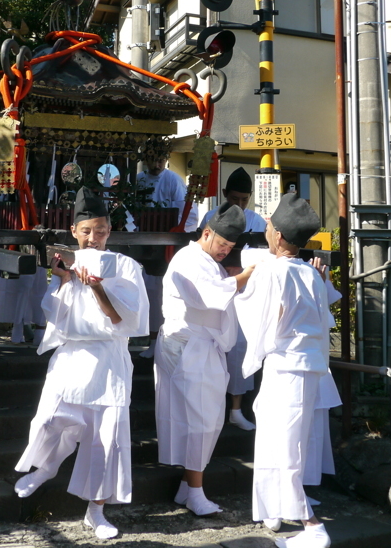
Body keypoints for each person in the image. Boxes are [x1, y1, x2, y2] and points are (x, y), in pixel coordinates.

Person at [14, 187, 149, 540]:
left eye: (101, 231)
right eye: (86, 231)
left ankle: (96, 511)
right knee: (50, 419)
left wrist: (97, 288)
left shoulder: (126, 266)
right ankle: (44, 468)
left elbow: (125, 321)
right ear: (74, 231)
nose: (94, 238)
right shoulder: (69, 264)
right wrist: (63, 280)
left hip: (108, 360)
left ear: (109, 230)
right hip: (72, 356)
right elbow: (55, 317)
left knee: (105, 440)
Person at [234, 193, 339, 548]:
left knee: (285, 447)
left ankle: (312, 526)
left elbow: (264, 320)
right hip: (304, 365)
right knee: (276, 439)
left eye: (268, 226)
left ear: (278, 235)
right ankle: (271, 508)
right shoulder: (310, 272)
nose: (265, 230)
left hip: (287, 365)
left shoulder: (273, 271)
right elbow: (324, 319)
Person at [154, 203, 254, 516]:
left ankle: (187, 486)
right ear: (207, 233)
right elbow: (210, 295)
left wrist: (233, 277)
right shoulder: (189, 259)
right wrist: (246, 276)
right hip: (188, 347)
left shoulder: (206, 259)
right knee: (200, 420)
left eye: (231, 247)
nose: (226, 251)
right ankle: (196, 491)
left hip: (199, 348)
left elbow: (217, 289)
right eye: (222, 244)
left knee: (204, 419)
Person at [200, 167, 267, 431]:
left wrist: (242, 271)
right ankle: (212, 407)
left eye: (244, 200)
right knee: (212, 347)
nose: (239, 205)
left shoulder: (257, 221)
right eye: (234, 199)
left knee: (239, 348)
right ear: (224, 194)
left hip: (243, 291)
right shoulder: (209, 216)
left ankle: (236, 409)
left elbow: (262, 255)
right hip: (213, 287)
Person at [136, 155, 199, 359]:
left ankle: (163, 341)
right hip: (144, 242)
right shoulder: (139, 180)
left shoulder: (173, 179)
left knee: (164, 294)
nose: (156, 164)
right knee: (147, 293)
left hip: (167, 245)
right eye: (152, 160)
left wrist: (173, 232)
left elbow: (188, 214)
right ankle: (149, 339)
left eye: (160, 160)